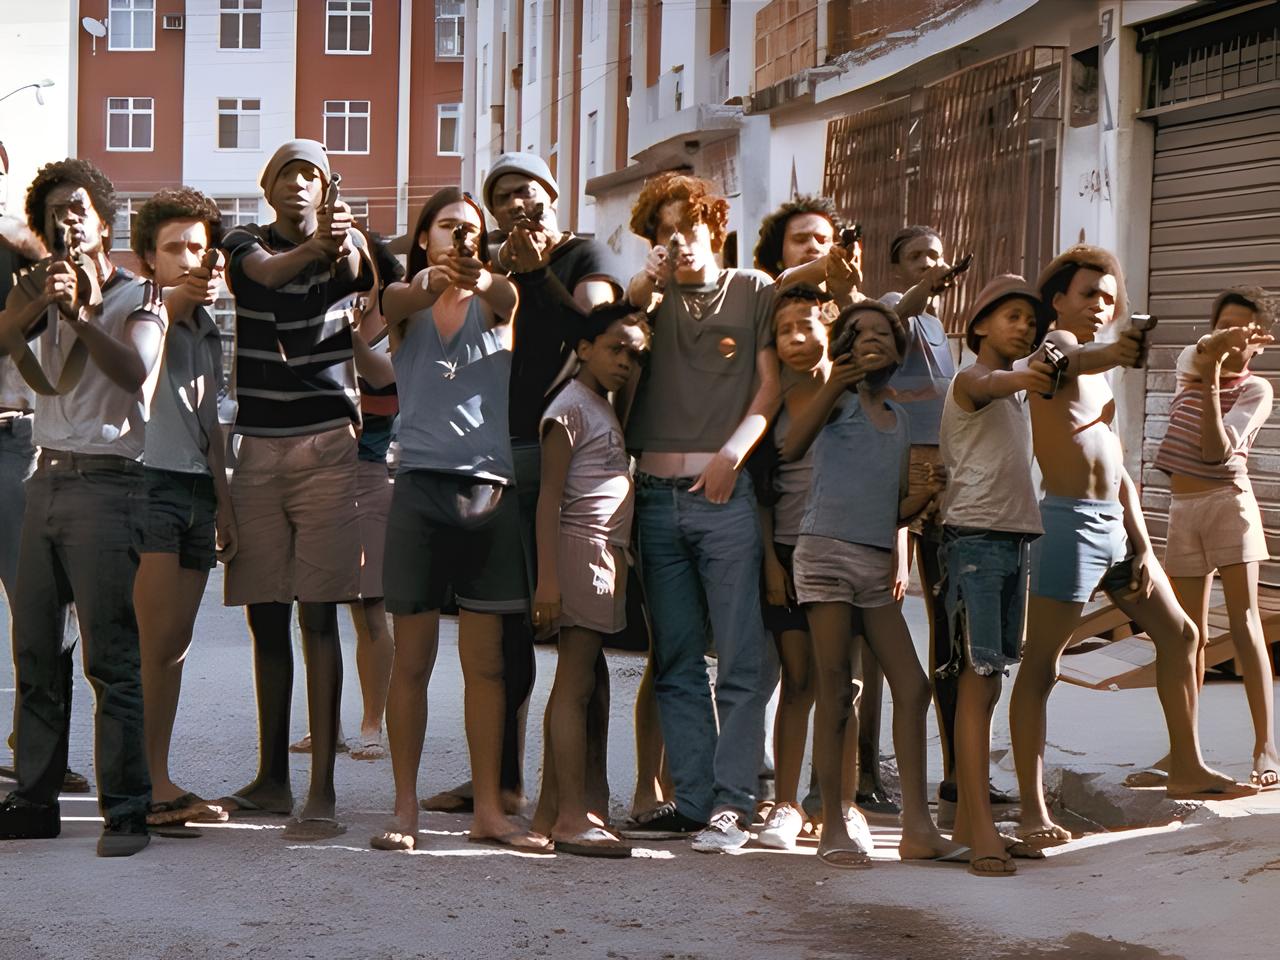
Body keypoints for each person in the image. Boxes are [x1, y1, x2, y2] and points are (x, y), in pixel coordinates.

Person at [1009, 244, 1257, 850]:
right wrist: (1118, 350)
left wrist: (1141, 542)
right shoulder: (1057, 348)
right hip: (1068, 524)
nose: (1101, 304)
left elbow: (1118, 465)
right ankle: (1033, 811)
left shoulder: (1100, 372)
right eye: (1088, 294)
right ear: (1058, 300)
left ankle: (1187, 765)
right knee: (1043, 665)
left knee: (1183, 635)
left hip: (1115, 528)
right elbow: (1072, 356)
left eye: (1109, 297)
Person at [422, 153, 621, 815]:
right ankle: (500, 782)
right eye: (501, 195)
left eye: (525, 191)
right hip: (494, 454)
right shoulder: (487, 266)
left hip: (568, 456)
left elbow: (595, 334)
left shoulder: (586, 254)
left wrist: (539, 277)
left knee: (577, 631)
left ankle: (584, 792)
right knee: (502, 627)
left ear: (551, 194)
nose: (514, 203)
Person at [0, 158, 164, 856]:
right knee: (37, 651)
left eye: (78, 207)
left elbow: (135, 371)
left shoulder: (139, 294)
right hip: (44, 477)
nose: (67, 219)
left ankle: (126, 810)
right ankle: (35, 800)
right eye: (54, 212)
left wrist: (83, 315)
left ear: (103, 220)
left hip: (107, 481)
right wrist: (38, 303)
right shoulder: (36, 289)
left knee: (110, 655)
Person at [371, 188, 542, 853]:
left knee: (487, 668)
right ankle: (404, 809)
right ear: (424, 238)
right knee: (410, 662)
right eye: (447, 227)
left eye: (471, 230)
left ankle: (490, 812)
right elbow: (396, 302)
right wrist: (433, 280)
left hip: (488, 492)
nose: (461, 238)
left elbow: (506, 296)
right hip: (418, 489)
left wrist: (480, 275)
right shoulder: (405, 302)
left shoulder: (497, 301)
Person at [216, 139, 376, 842]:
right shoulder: (242, 241)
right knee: (265, 617)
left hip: (326, 447)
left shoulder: (348, 243)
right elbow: (263, 277)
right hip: (257, 447)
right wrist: (317, 250)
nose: (299, 183)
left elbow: (355, 272)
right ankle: (272, 779)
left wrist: (341, 245)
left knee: (318, 615)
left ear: (327, 189)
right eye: (288, 172)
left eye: (312, 174)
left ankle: (322, 791)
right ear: (268, 185)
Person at [620, 172, 779, 853]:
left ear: (715, 225)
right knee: (676, 659)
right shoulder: (647, 301)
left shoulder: (752, 289)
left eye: (688, 226)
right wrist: (644, 288)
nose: (678, 241)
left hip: (723, 493)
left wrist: (731, 457)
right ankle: (692, 799)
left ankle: (735, 803)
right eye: (663, 232)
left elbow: (770, 388)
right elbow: (622, 317)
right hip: (655, 499)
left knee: (742, 657)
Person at [781, 300, 961, 868]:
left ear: (899, 350)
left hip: (876, 561)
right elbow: (791, 445)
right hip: (825, 555)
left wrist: (927, 494)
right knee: (836, 689)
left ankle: (917, 829)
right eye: (860, 332)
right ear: (844, 346)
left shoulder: (899, 419)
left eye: (884, 332)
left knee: (913, 686)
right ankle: (832, 823)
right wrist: (834, 382)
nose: (873, 338)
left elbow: (893, 507)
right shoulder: (833, 401)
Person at [878, 225, 1016, 824]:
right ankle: (869, 774)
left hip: (946, 474)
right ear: (898, 266)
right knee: (906, 619)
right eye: (917, 257)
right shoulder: (896, 306)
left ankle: (962, 772)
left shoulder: (938, 325)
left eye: (935, 256)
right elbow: (897, 314)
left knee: (950, 619)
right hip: (908, 474)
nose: (930, 265)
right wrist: (923, 286)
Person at [938, 276, 1057, 876]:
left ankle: (968, 823)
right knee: (978, 680)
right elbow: (988, 383)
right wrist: (1028, 375)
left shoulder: (1016, 393)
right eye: (1013, 317)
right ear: (980, 325)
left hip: (1011, 540)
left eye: (1031, 322)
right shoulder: (972, 379)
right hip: (976, 542)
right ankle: (980, 828)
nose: (1025, 328)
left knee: (990, 681)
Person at [129, 189, 237, 834]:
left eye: (198, 247)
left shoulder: (206, 327)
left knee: (174, 648)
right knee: (150, 645)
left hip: (198, 489)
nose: (189, 258)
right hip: (148, 483)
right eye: (174, 248)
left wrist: (226, 502)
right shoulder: (143, 308)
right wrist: (174, 299)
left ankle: (155, 775)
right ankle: (144, 785)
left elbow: (212, 424)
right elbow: (156, 315)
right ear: (148, 258)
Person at [531, 301, 649, 857]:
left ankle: (550, 811)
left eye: (634, 354)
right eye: (615, 349)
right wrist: (548, 582)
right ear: (584, 349)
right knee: (573, 686)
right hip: (580, 550)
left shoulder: (600, 403)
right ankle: (570, 818)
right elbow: (549, 498)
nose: (625, 361)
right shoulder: (570, 407)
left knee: (582, 683)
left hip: (603, 554)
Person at [1148, 287, 1276, 789]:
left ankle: (1266, 749)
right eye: (1225, 325)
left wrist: (1213, 378)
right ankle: (1184, 753)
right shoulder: (1191, 364)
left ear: (1260, 340)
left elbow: (1214, 451)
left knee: (1245, 624)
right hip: (1183, 511)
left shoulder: (1256, 389)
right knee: (1189, 636)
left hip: (1229, 505)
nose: (1231, 336)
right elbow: (1198, 352)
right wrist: (1212, 359)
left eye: (1244, 329)